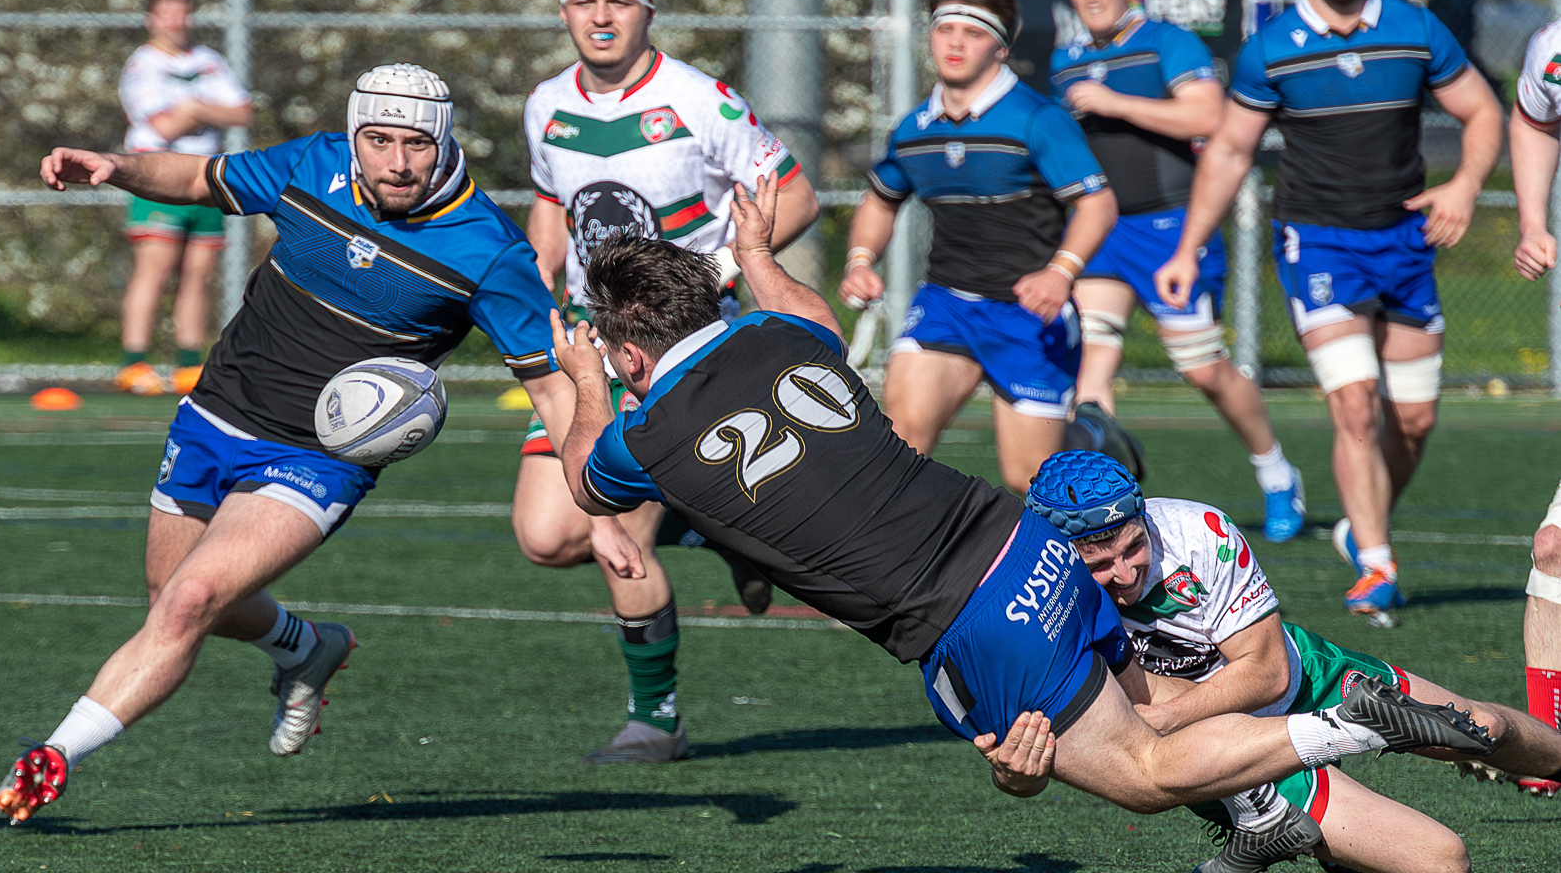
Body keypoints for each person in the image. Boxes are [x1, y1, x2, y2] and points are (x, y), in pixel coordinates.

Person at [546, 177, 1495, 834]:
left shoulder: (645, 433)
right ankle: (1327, 768)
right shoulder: (770, 331)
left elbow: (586, 482)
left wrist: (588, 381)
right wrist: (754, 249)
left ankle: (1353, 722)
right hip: (1019, 533)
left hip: (963, 616)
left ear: (632, 354)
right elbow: (818, 318)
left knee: (1145, 778)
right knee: (1154, 711)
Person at [0, 64, 638, 825]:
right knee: (172, 597)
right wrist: (116, 167)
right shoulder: (313, 165)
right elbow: (201, 178)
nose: (398, 162)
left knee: (192, 601)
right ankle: (304, 648)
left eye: (416, 144)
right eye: (379, 140)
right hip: (215, 413)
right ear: (355, 137)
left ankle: (54, 756)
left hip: (321, 456)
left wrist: (598, 510)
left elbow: (553, 388)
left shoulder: (488, 252)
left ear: (445, 139)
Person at [514, 0, 821, 764]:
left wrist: (720, 270)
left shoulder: (699, 100)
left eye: (619, 2)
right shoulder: (547, 105)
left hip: (675, 351)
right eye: (586, 3)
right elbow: (552, 205)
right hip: (588, 349)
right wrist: (535, 282)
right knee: (547, 537)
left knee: (617, 533)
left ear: (646, 9)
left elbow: (796, 197)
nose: (602, 18)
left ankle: (657, 717)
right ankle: (715, 523)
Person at [1157, 0, 1503, 625]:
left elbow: (1482, 110)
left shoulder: (1414, 28)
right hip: (1318, 244)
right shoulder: (1272, 48)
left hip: (1406, 242)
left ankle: (1358, 523)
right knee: (1354, 406)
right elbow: (1228, 151)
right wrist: (1188, 247)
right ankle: (1376, 564)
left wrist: (1466, 187)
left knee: (1411, 421)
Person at [1022, 451, 1561, 873]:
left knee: (1485, 729)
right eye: (1100, 566)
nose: (1126, 572)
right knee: (1442, 865)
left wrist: (1159, 718)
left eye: (1133, 547)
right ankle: (1321, 836)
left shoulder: (1196, 531)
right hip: (1230, 758)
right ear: (1056, 556)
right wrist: (1013, 771)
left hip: (1300, 675)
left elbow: (1267, 674)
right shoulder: (1035, 603)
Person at [837, 0, 1131, 495]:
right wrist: (860, 260)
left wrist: (1060, 273)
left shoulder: (1037, 120)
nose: (955, 42)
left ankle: (1090, 432)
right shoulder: (913, 131)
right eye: (945, 29)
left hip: (1028, 315)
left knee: (1031, 480)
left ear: (1000, 47)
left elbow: (1097, 202)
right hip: (947, 303)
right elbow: (881, 200)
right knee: (899, 443)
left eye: (973, 33)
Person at [1049, 0, 1304, 542]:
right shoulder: (1066, 57)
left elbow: (1208, 117)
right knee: (1091, 363)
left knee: (1202, 369)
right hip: (1101, 230)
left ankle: (1276, 473)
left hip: (1170, 229)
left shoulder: (1168, 41)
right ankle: (1098, 508)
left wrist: (1114, 102)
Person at [115, 0, 254, 397]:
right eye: (167, 14)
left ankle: (188, 365)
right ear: (151, 19)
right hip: (156, 176)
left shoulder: (209, 61)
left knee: (199, 274)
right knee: (154, 270)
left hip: (206, 175)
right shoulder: (142, 65)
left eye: (183, 13)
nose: (176, 22)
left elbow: (243, 112)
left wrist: (193, 109)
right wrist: (204, 110)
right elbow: (162, 126)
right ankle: (133, 362)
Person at [1499, 17, 1561, 796]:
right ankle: (1550, 747)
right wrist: (1530, 219)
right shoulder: (1552, 48)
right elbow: (1534, 115)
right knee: (1553, 548)